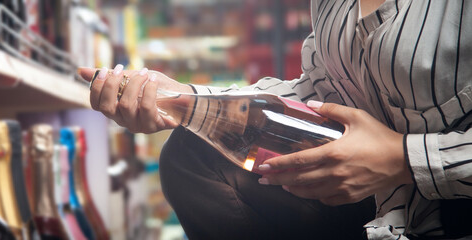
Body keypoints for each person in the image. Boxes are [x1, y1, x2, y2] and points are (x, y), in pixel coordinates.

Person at [78, 0, 472, 239]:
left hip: (455, 208)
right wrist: (181, 100)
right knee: (191, 155)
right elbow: (320, 90)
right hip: (377, 210)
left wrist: (403, 159)